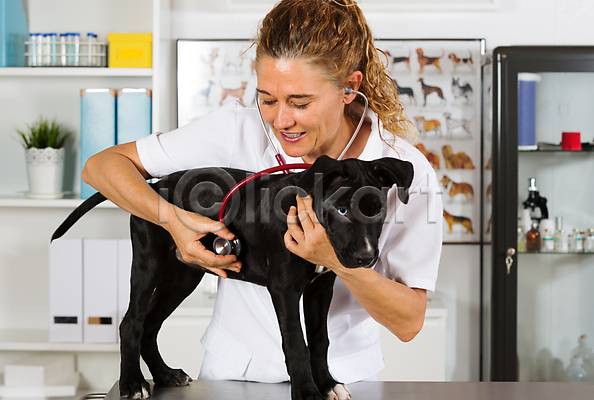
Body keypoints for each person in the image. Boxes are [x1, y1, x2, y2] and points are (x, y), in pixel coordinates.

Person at [83, 0, 442, 384]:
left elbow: (409, 322)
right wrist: (173, 221)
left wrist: (334, 259)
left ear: (349, 89)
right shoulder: (235, 128)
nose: (280, 120)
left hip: (344, 376)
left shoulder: (403, 169)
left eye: (300, 102)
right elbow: (101, 168)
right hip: (235, 372)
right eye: (267, 98)